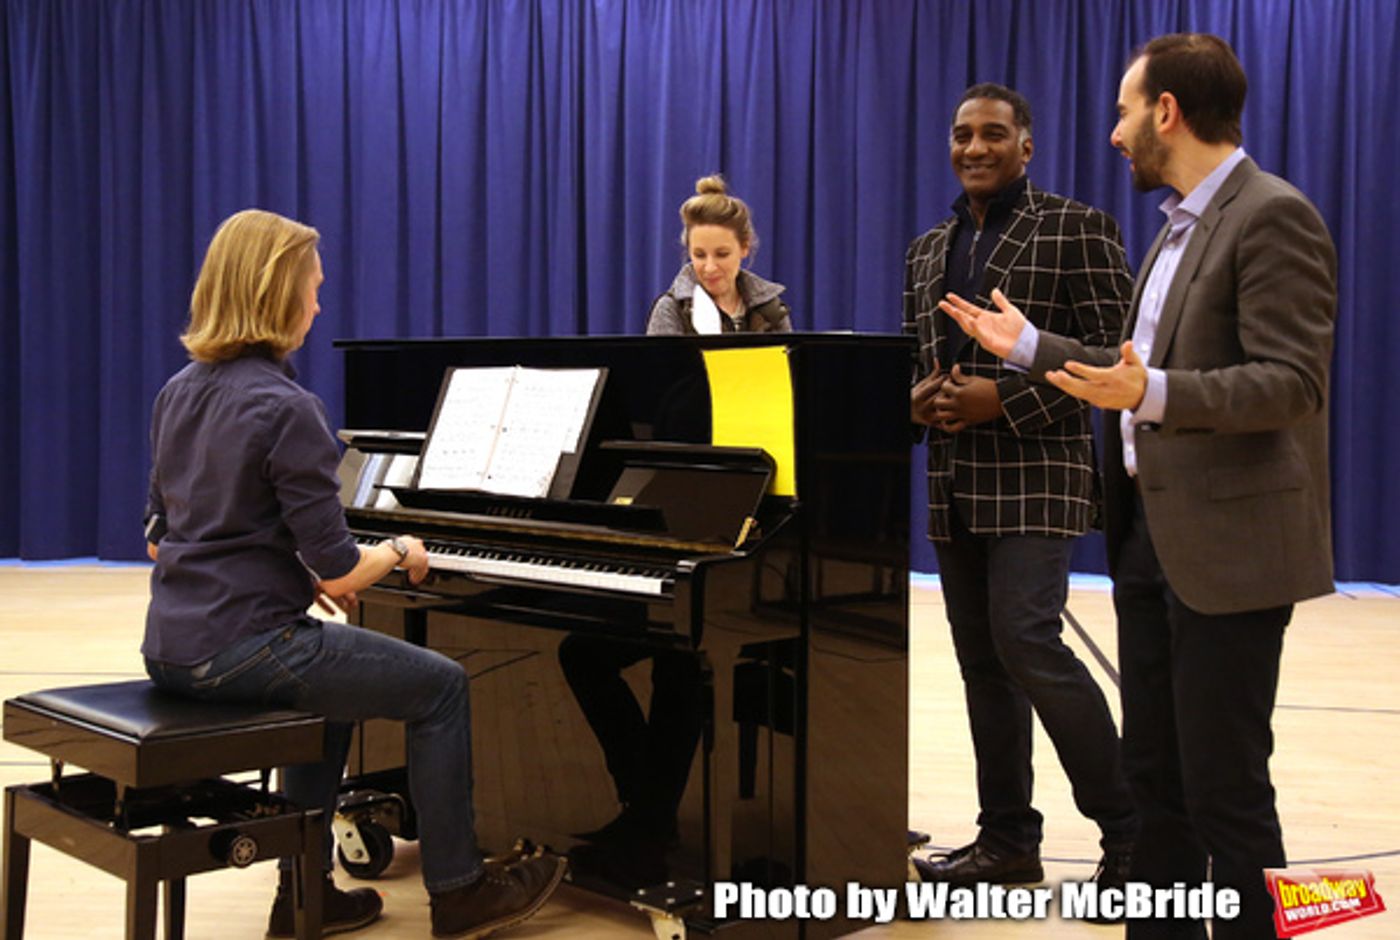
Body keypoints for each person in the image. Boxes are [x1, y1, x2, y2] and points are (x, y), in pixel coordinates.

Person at [940, 35, 1336, 939]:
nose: (1115, 133)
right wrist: (1033, 349)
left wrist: (1150, 393)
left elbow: (1291, 383)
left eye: (1124, 112)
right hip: (1148, 541)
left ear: (1166, 112)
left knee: (1225, 789)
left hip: (1227, 552)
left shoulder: (1272, 215)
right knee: (1156, 778)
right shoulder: (1174, 228)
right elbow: (1129, 368)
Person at [142, 209, 565, 938]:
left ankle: (302, 897)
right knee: (441, 685)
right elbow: (340, 571)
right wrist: (401, 549)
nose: (318, 304)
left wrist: (278, 572)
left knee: (333, 695)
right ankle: (460, 892)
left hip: (173, 647)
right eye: (312, 288)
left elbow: (162, 538)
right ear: (276, 296)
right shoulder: (287, 407)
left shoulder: (179, 390)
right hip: (245, 647)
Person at [904, 83, 1138, 891]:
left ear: (1026, 147)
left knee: (1028, 643)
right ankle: (1007, 842)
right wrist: (919, 399)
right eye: (963, 133)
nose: (975, 147)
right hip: (954, 481)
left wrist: (1001, 396)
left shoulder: (1078, 227)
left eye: (993, 134)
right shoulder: (926, 249)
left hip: (1041, 471)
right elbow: (915, 361)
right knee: (982, 666)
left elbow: (1117, 356)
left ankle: (1131, 833)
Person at [646, 175, 791, 334]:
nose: (710, 267)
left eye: (722, 254)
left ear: (744, 248)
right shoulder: (671, 310)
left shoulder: (771, 310)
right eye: (700, 255)